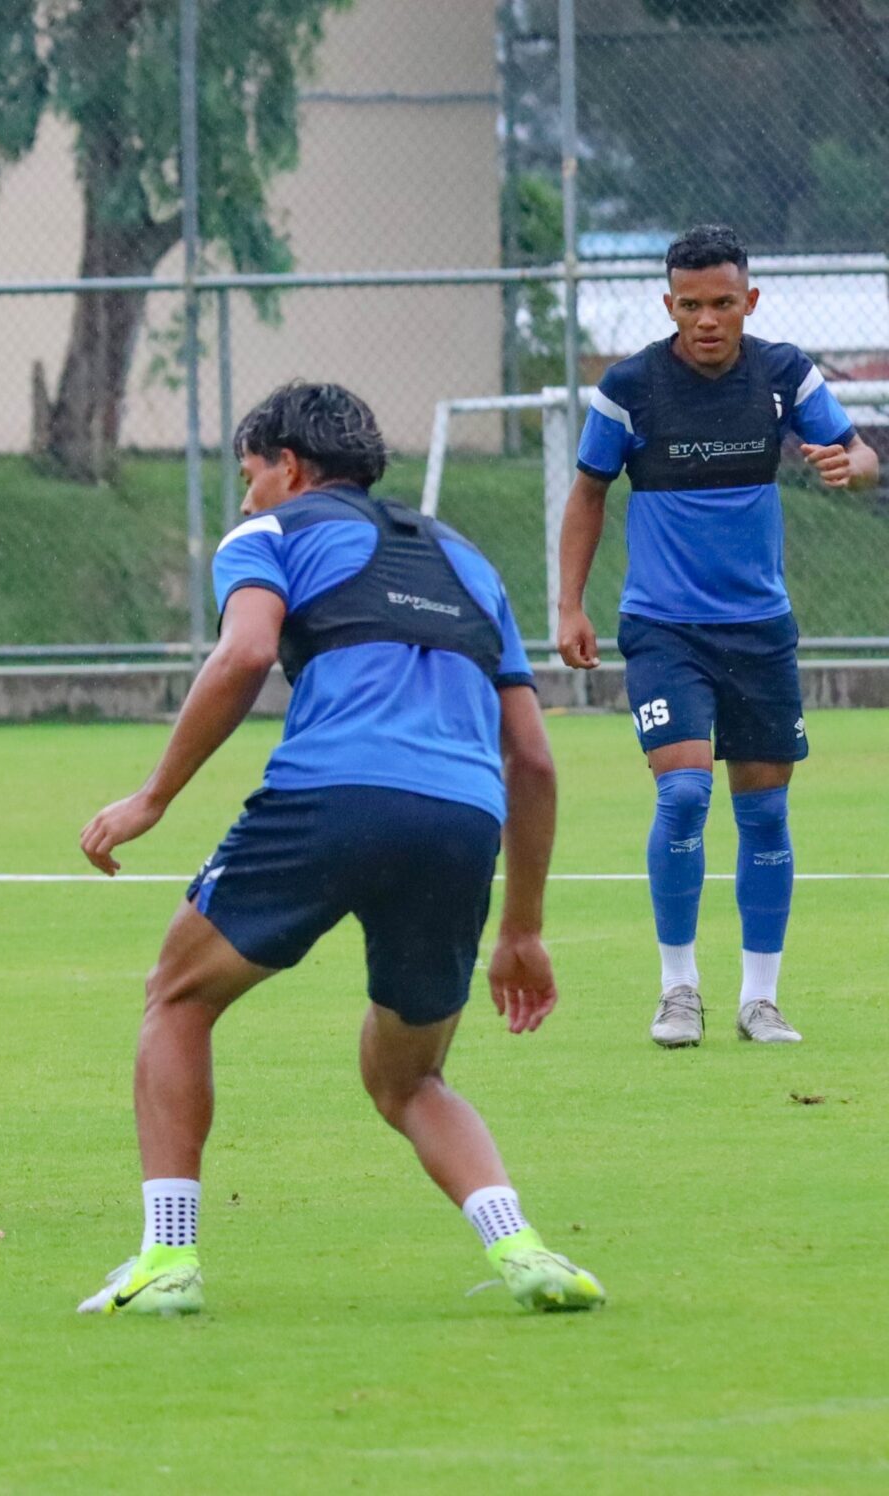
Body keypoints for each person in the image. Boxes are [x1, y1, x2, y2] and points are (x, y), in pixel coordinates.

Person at [76, 381, 604, 1316]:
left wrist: (154, 797)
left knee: (178, 998)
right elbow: (533, 760)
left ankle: (167, 1261)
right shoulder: (469, 561)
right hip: (460, 818)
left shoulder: (269, 537)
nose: (244, 501)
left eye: (251, 476)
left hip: (331, 796)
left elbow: (243, 656)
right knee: (409, 1076)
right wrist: (521, 926)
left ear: (290, 466)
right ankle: (522, 1249)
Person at [559, 224, 878, 1048]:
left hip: (760, 632)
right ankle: (678, 991)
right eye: (691, 304)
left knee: (765, 815)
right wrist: (570, 605)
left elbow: (858, 451)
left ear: (750, 302)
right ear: (669, 305)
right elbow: (588, 496)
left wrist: (854, 465)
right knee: (685, 793)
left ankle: (760, 1000)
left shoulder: (782, 374)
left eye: (723, 303)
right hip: (665, 630)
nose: (707, 319)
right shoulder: (628, 388)